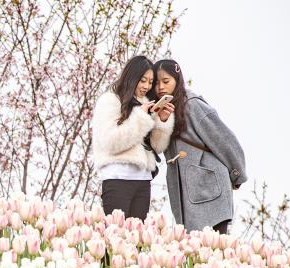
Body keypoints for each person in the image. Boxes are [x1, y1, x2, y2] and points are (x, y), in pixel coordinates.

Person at [154, 58, 246, 234]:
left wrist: (237, 174)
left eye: (166, 81)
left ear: (177, 80)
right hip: (189, 194)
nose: (161, 88)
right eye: (157, 83)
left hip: (210, 189)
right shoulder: (161, 111)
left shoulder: (192, 104)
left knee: (216, 251)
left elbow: (223, 138)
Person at [92, 55, 175, 222]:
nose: (146, 86)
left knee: (135, 241)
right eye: (142, 80)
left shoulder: (145, 103)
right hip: (118, 178)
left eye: (150, 82)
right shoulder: (110, 101)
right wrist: (141, 118)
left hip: (143, 180)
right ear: (131, 77)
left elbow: (156, 146)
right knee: (115, 240)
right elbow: (111, 142)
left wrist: (162, 120)